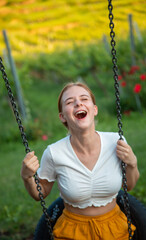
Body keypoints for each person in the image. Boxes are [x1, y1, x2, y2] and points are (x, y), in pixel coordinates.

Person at [21, 82, 139, 240]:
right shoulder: (54, 153)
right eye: (70, 102)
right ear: (62, 116)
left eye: (84, 98)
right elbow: (40, 194)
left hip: (114, 227)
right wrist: (27, 177)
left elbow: (129, 185)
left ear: (94, 109)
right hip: (73, 230)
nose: (78, 103)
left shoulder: (115, 141)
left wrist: (132, 162)